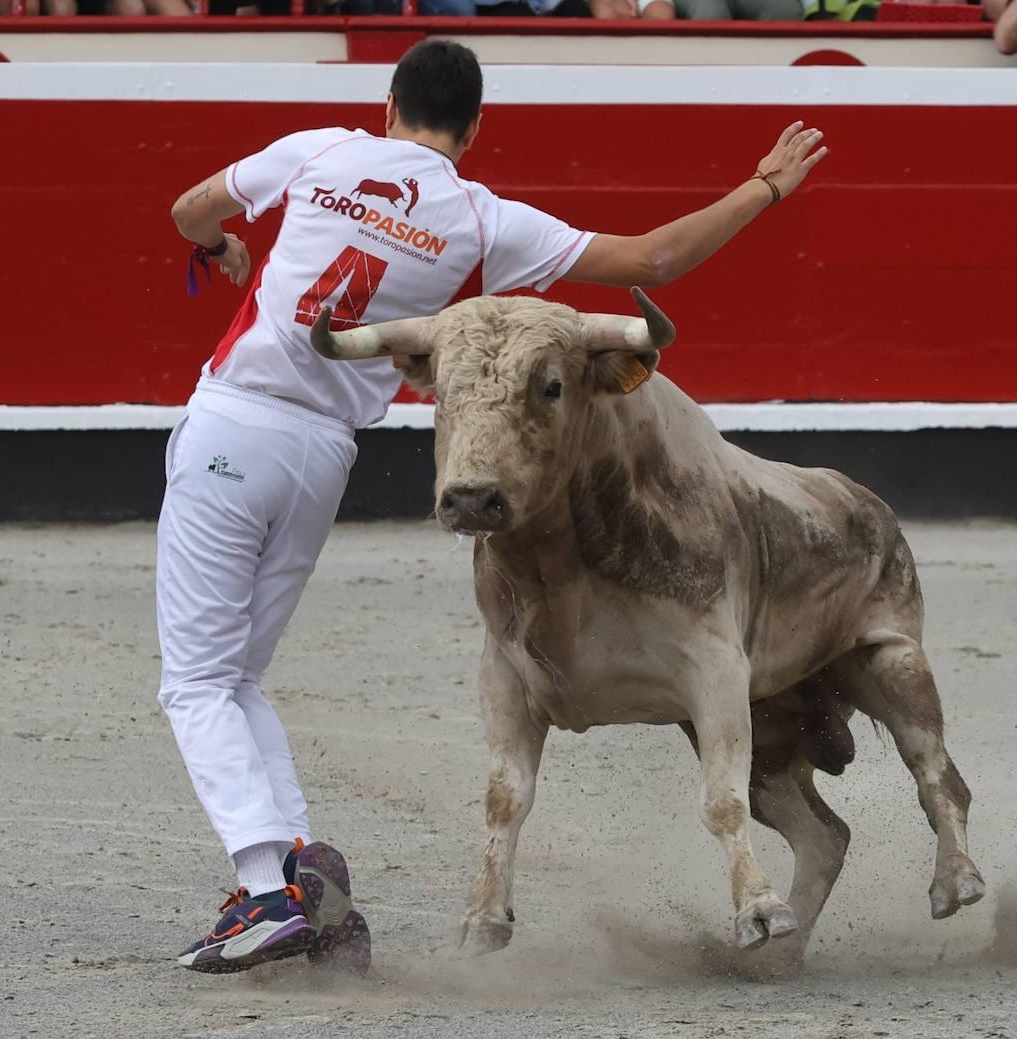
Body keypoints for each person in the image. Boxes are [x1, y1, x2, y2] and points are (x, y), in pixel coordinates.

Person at [162, 38, 827, 975]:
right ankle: (299, 876)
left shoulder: (319, 149)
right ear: (474, 132)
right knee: (234, 678)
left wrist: (216, 245)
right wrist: (765, 186)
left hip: (236, 421)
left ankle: (265, 893)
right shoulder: (477, 217)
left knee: (195, 682)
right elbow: (658, 257)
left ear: (387, 102)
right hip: (321, 456)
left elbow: (189, 207)